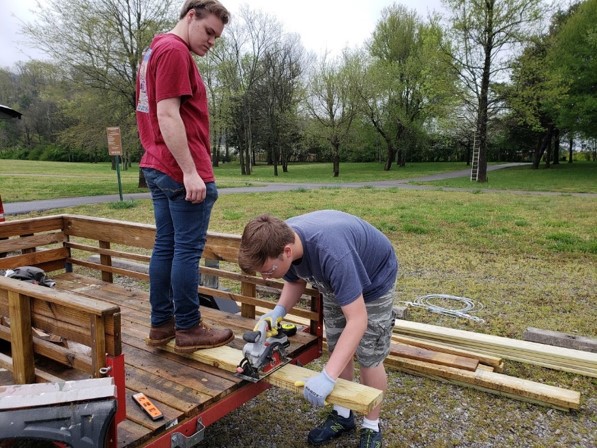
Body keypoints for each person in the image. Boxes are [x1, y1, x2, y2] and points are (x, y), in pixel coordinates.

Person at [238, 210, 398, 448]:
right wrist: (278, 312)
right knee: (337, 348)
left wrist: (327, 376)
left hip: (374, 280)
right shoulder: (282, 240)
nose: (265, 278)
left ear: (287, 252)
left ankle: (371, 425)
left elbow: (358, 320)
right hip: (336, 281)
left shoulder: (333, 254)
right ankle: (343, 415)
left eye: (268, 271)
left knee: (369, 356)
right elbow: (295, 279)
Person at [135, 0, 233, 353]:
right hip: (180, 170)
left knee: (167, 246)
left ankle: (162, 325)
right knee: (187, 251)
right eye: (208, 31)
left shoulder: (153, 50)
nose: (211, 41)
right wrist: (191, 172)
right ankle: (189, 328)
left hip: (156, 162)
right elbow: (168, 114)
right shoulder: (175, 51)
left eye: (217, 37)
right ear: (190, 15)